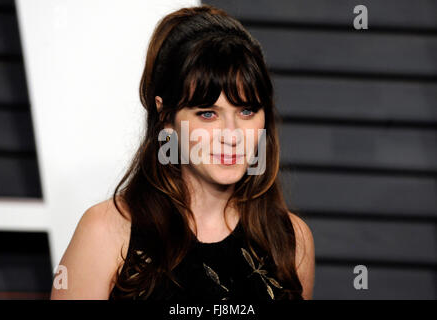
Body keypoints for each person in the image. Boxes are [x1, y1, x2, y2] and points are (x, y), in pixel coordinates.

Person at [50, 4, 314, 301]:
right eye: (207, 114)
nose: (232, 135)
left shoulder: (291, 240)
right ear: (166, 117)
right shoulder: (106, 231)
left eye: (247, 110)